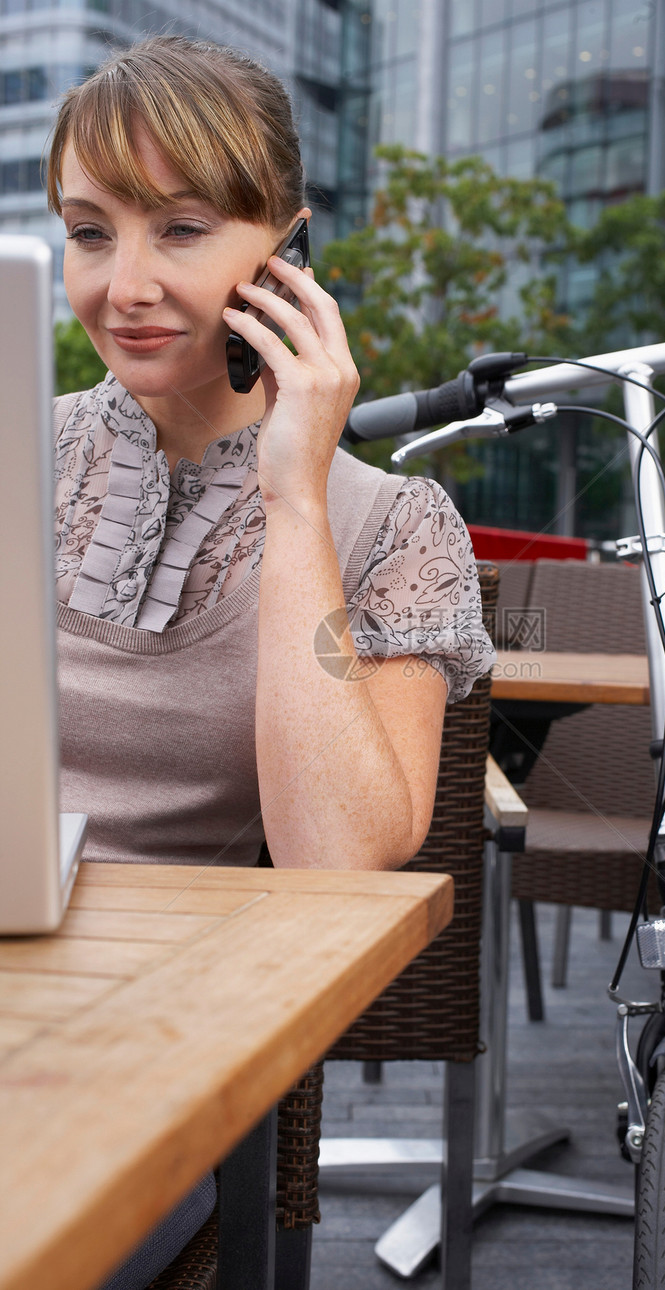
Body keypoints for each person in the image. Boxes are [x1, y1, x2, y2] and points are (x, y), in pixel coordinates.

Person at [45, 34, 494, 1287]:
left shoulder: (393, 526)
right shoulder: (15, 452)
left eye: (179, 229)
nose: (122, 284)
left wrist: (293, 494)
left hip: (146, 1064)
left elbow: (336, 856)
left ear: (285, 251)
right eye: (90, 233)